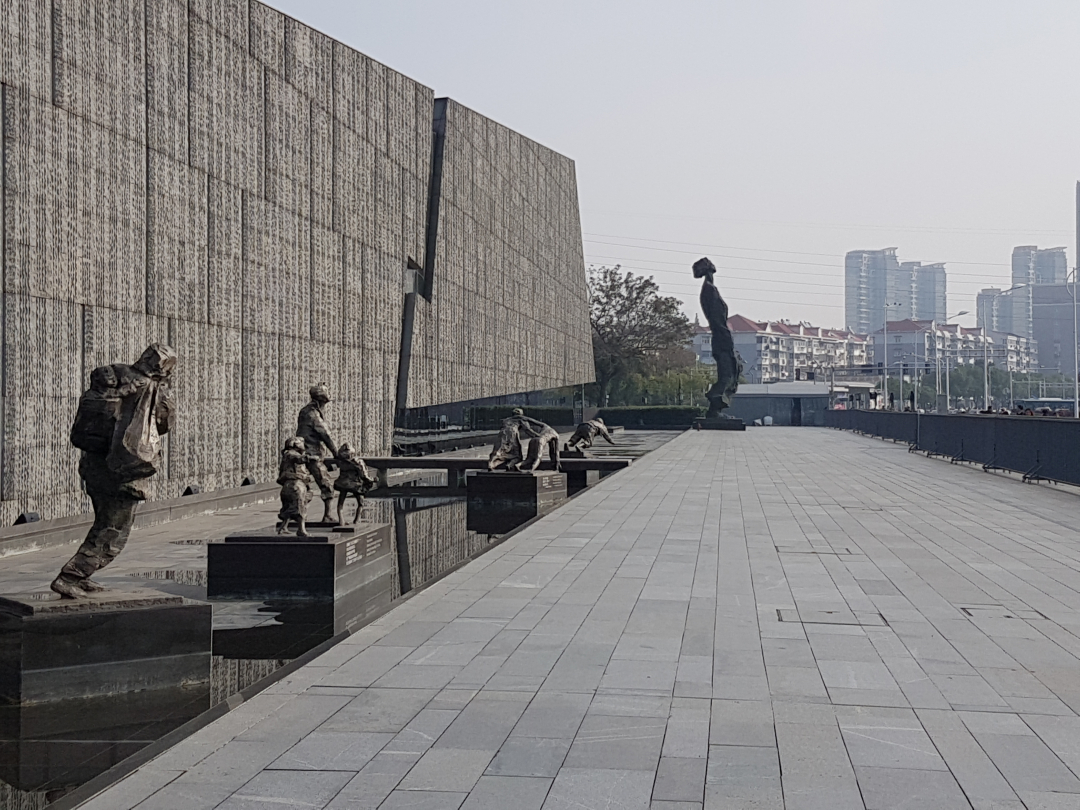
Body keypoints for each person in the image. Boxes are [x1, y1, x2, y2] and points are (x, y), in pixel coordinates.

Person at [52, 344, 177, 598]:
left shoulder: (115, 374)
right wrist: (166, 391)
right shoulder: (154, 388)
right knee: (114, 531)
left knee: (102, 522)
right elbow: (164, 424)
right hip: (124, 472)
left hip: (94, 466)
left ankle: (83, 575)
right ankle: (70, 576)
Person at [693, 258, 743, 418]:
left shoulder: (709, 289)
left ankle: (716, 408)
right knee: (727, 374)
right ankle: (715, 407)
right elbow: (717, 319)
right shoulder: (709, 290)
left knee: (730, 372)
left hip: (721, 336)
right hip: (721, 337)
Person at [297, 383, 338, 523]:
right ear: (321, 400)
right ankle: (326, 516)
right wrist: (336, 453)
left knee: (304, 485)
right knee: (326, 484)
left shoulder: (305, 411)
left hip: (304, 455)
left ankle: (299, 517)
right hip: (311, 456)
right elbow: (326, 434)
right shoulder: (312, 414)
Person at [277, 437, 314, 536]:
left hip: (291, 485)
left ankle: (283, 527)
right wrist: (309, 458)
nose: (304, 445)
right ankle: (301, 530)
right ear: (296, 444)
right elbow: (299, 459)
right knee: (300, 507)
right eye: (302, 443)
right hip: (295, 485)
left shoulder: (288, 455)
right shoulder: (291, 454)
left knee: (290, 507)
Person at [333, 442, 377, 524]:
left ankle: (341, 522)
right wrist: (372, 480)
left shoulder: (341, 462)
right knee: (360, 503)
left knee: (340, 504)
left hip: (342, 483)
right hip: (355, 485)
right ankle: (356, 521)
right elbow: (364, 475)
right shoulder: (358, 462)